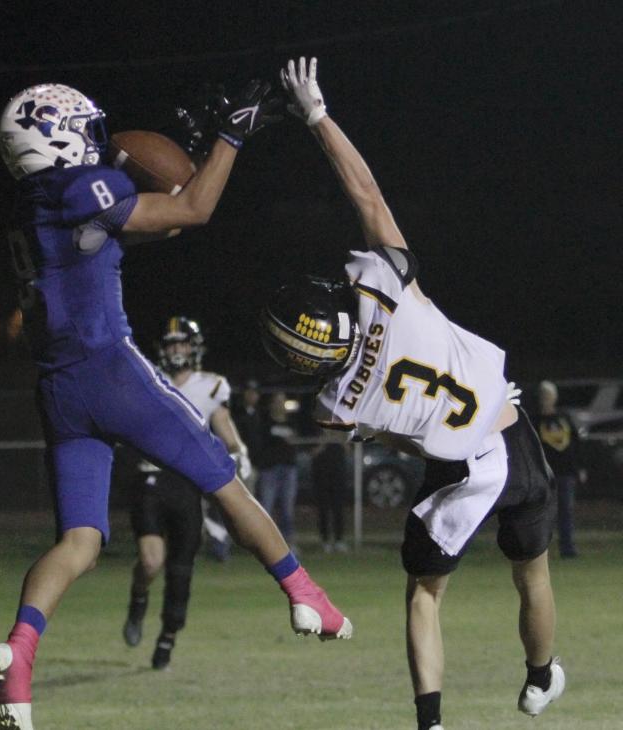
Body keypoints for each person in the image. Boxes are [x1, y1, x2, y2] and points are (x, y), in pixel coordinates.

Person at [0, 81, 351, 730]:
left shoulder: (30, 205)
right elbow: (194, 210)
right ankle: (305, 595)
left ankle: (18, 656)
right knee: (224, 480)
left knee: (79, 542)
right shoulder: (77, 191)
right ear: (57, 134)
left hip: (58, 390)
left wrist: (176, 162)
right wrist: (229, 136)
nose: (99, 139)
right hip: (110, 371)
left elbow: (152, 220)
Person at [259, 57, 563, 729]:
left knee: (424, 598)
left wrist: (397, 427)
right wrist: (316, 116)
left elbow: (389, 432)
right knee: (533, 576)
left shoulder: (334, 404)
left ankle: (431, 723)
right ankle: (541, 677)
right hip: (511, 431)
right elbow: (366, 194)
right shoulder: (383, 285)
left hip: (457, 468)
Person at [122, 316, 252, 670]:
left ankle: (167, 637)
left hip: (187, 483)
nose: (177, 350)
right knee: (150, 561)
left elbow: (225, 428)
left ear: (193, 347)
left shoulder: (211, 385)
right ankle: (138, 597)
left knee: (181, 570)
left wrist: (241, 453)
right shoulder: (150, 380)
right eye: (171, 344)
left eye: (182, 343)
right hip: (150, 478)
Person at [535, 380, 586, 558]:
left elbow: (576, 443)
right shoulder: (535, 420)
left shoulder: (564, 418)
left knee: (566, 511)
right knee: (543, 513)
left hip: (566, 472)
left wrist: (579, 467)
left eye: (549, 395)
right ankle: (540, 550)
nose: (546, 399)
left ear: (554, 397)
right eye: (543, 395)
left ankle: (567, 548)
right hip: (545, 473)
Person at [256, 391, 301, 546]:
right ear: (271, 404)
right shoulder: (265, 422)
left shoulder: (291, 422)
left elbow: (295, 443)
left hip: (288, 468)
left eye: (282, 401)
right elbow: (262, 443)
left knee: (287, 509)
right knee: (266, 508)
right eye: (277, 401)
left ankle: (288, 544)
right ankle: (265, 544)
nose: (280, 404)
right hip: (270, 469)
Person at [310, 439, 348, 552]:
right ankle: (325, 540)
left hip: (338, 474)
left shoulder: (340, 432)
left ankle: (339, 540)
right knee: (323, 508)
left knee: (338, 508)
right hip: (321, 476)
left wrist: (341, 441)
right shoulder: (317, 433)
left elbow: (347, 450)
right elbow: (312, 452)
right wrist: (323, 444)